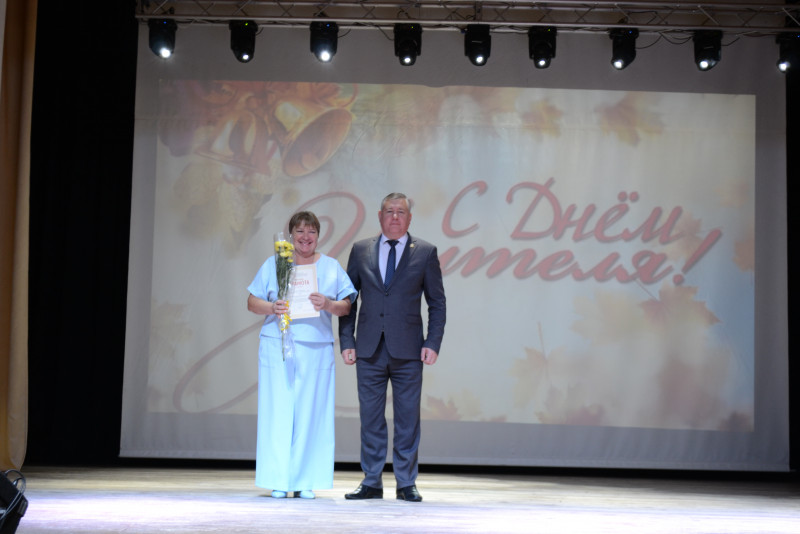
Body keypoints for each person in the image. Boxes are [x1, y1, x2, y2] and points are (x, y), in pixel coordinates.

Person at [339, 192, 446, 503]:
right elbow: (348, 300)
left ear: (409, 218)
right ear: (380, 216)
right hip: (368, 349)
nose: (395, 216)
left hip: (409, 350)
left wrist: (432, 342)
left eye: (401, 212)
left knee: (407, 419)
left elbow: (437, 303)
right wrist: (347, 341)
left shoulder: (425, 252)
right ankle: (371, 480)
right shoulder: (361, 250)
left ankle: (406, 482)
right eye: (389, 211)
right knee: (370, 418)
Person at [247, 211, 356, 499]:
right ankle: (278, 479)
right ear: (291, 235)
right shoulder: (275, 264)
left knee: (311, 413)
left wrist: (328, 304)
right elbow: (252, 301)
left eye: (311, 232)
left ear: (318, 236)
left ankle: (306, 479)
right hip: (277, 345)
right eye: (299, 231)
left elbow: (347, 305)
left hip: (316, 347)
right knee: (278, 410)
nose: (305, 237)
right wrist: (272, 307)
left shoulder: (331, 267)